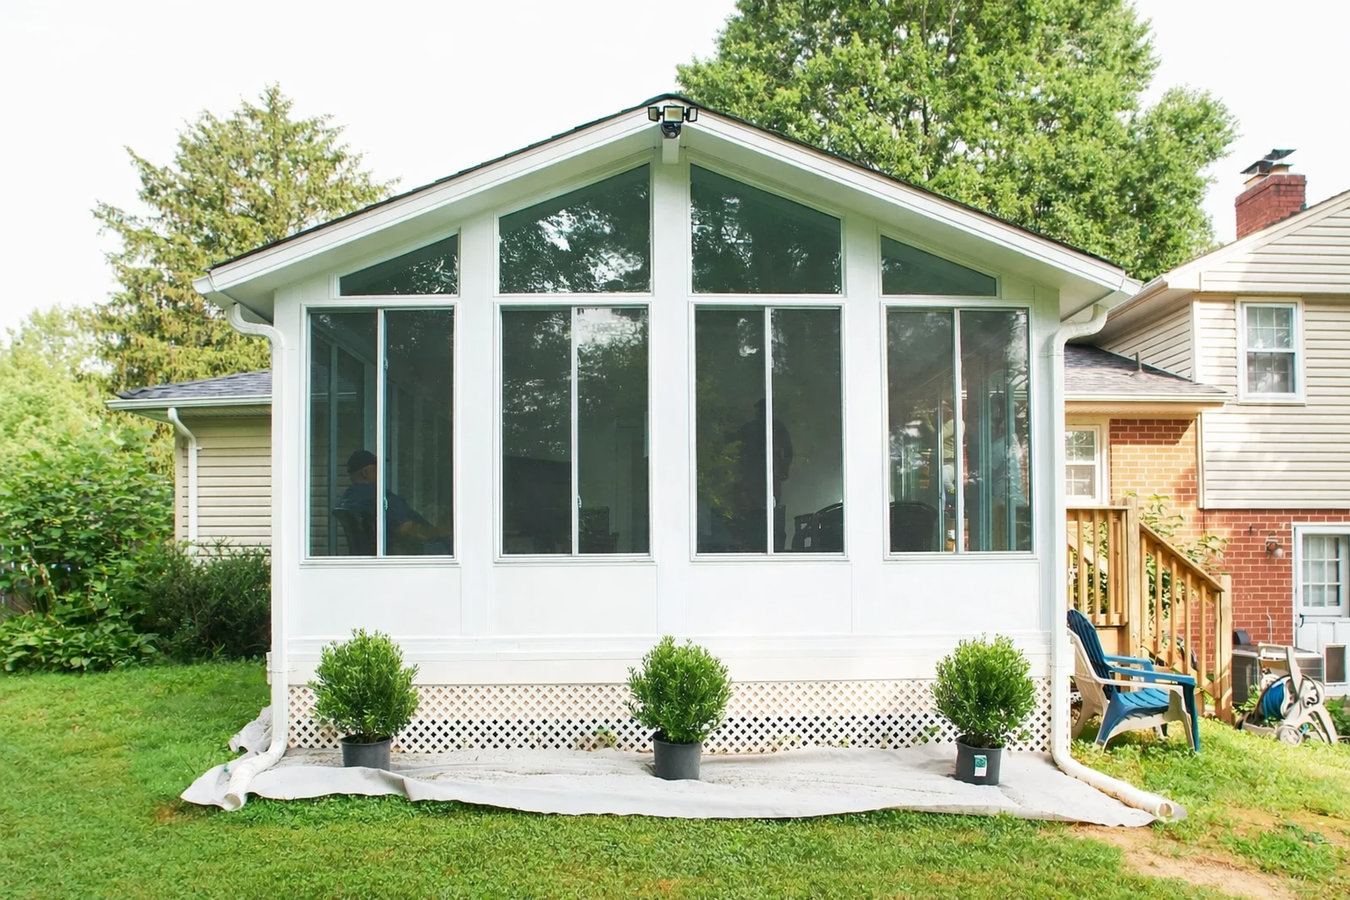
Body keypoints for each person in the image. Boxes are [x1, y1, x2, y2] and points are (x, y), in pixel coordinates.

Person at [338, 449, 450, 555]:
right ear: (365, 472)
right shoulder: (379, 497)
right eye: (377, 468)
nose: (381, 472)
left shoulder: (349, 498)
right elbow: (408, 531)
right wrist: (442, 532)